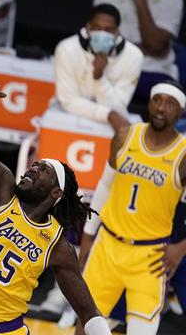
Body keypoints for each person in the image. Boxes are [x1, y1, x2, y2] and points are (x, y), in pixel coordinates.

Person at [0, 75, 112, 335]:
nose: (33, 167)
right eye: (35, 164)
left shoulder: (57, 244)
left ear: (56, 191)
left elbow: (87, 310)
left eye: (43, 169)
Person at [77, 81, 186, 334]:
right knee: (85, 325)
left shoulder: (183, 155)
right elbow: (105, 186)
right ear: (149, 103)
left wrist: (181, 248)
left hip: (150, 256)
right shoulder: (125, 136)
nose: (161, 108)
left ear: (180, 112)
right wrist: (88, 236)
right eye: (157, 100)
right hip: (107, 245)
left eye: (170, 104)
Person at [93, 0, 184, 104]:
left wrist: (140, 0)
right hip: (112, 67)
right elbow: (99, 41)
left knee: (166, 101)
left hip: (153, 71)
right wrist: (143, 48)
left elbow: (155, 45)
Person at [54, 3, 142, 131]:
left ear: (117, 31)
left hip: (108, 128)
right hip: (68, 119)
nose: (102, 34)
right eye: (96, 28)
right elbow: (68, 100)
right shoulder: (67, 49)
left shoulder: (133, 56)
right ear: (88, 27)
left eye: (109, 30)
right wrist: (108, 115)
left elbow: (119, 107)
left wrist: (99, 78)